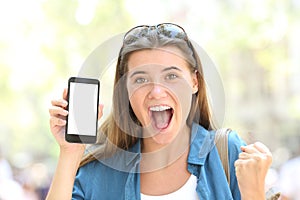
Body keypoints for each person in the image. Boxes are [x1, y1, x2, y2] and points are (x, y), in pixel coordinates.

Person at [47, 23, 272, 200]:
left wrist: (254, 195)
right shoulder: (99, 173)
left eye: (171, 76)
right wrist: (70, 153)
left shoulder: (228, 154)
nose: (156, 91)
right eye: (141, 79)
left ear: (194, 82)